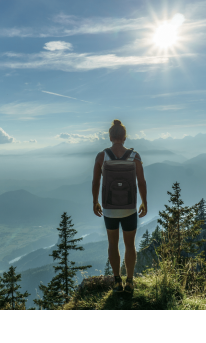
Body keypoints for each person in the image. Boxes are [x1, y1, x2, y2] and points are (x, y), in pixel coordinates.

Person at [92, 119, 147, 293]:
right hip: (129, 208)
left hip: (109, 208)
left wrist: (95, 202)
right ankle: (130, 281)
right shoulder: (135, 156)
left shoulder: (102, 156)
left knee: (113, 244)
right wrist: (144, 202)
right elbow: (141, 182)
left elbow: (95, 181)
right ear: (124, 137)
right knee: (130, 245)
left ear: (110, 137)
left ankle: (117, 282)